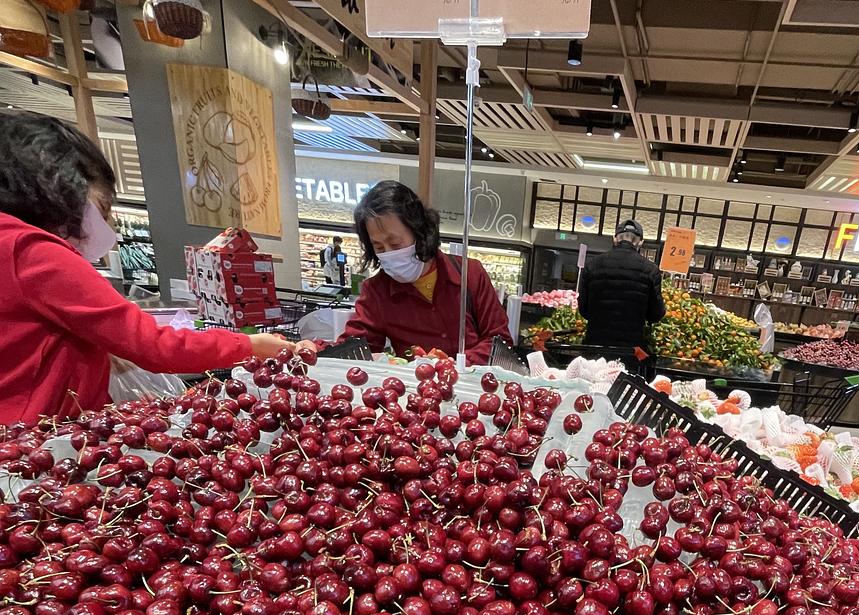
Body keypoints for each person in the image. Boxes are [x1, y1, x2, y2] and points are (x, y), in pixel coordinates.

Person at [0, 112, 299, 426]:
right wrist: (248, 345)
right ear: (61, 184)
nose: (109, 224)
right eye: (104, 209)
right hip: (29, 439)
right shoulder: (33, 252)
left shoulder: (9, 243)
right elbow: (151, 344)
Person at [343, 181, 511, 364]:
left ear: (419, 231)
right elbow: (355, 348)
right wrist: (314, 348)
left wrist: (459, 364)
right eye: (379, 247)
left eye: (396, 243)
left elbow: (500, 342)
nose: (389, 253)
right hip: (415, 389)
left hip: (473, 386)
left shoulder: (470, 274)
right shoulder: (377, 291)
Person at [578, 218, 665, 353]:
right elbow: (656, 314)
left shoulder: (592, 265)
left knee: (592, 373)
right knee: (626, 374)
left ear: (615, 239)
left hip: (595, 345)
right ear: (640, 242)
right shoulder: (651, 270)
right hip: (630, 349)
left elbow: (583, 309)